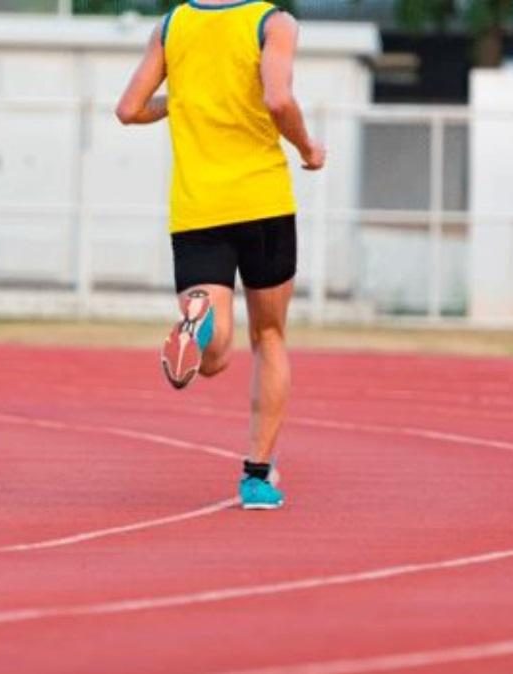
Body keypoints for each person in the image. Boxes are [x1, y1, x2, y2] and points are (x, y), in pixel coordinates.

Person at [115, 0, 326, 510]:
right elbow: (278, 101)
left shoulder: (172, 26)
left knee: (215, 356)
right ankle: (256, 477)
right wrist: (306, 147)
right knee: (269, 336)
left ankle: (197, 326)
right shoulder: (273, 24)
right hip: (262, 201)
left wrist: (182, 101)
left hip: (197, 208)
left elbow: (128, 109)